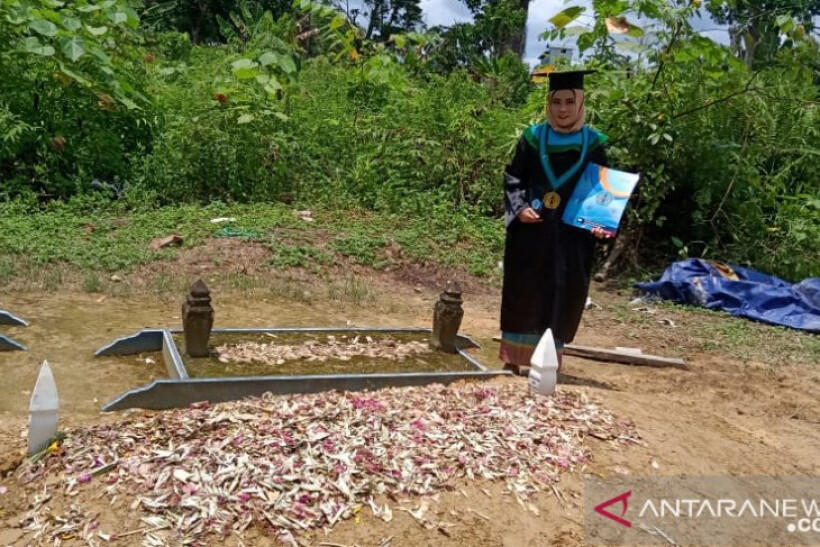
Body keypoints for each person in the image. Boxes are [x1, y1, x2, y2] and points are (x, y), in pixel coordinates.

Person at [499, 69, 613, 377]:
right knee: (524, 289)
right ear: (549, 104)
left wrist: (600, 223)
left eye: (569, 102)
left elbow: (600, 191)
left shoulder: (594, 143)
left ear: (580, 104)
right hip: (531, 230)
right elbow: (514, 178)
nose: (562, 109)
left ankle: (549, 359)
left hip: (571, 235)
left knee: (563, 291)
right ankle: (513, 357)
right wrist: (519, 207)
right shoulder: (532, 138)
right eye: (557, 102)